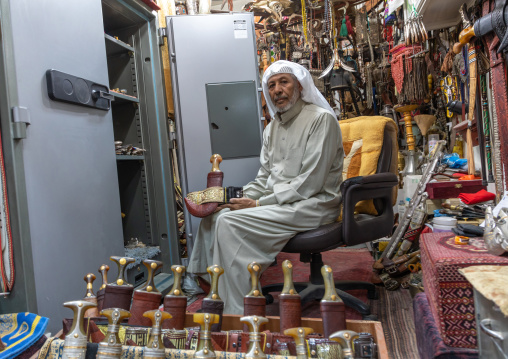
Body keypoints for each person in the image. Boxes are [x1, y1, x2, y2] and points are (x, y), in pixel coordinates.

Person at [187, 60, 344, 314]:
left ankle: (237, 313)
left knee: (230, 224)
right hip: (280, 202)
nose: (277, 90)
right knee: (217, 217)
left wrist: (258, 204)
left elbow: (310, 183)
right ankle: (211, 288)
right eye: (271, 85)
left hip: (314, 204)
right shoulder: (271, 129)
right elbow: (264, 179)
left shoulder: (320, 120)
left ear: (300, 87)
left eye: (284, 82)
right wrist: (230, 198)